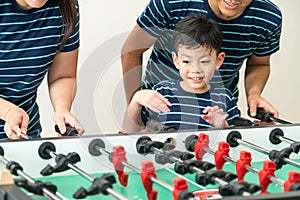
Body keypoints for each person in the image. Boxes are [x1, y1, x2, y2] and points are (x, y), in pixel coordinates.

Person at [121, 0, 282, 120]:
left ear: (220, 60)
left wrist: (253, 94)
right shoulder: (170, 3)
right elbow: (131, 52)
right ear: (175, 59)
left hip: (216, 114)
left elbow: (259, 63)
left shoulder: (269, 18)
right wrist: (135, 105)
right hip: (158, 112)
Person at [122, 15, 240, 133]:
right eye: (187, 61)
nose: (196, 69)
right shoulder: (162, 92)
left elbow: (237, 141)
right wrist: (136, 100)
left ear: (218, 61)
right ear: (176, 60)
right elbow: (130, 133)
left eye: (204, 61)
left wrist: (223, 126)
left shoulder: (225, 98)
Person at [0, 0, 84, 140]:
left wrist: (62, 108)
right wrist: (7, 111)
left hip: (26, 136)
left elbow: (63, 76)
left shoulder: (66, 7)